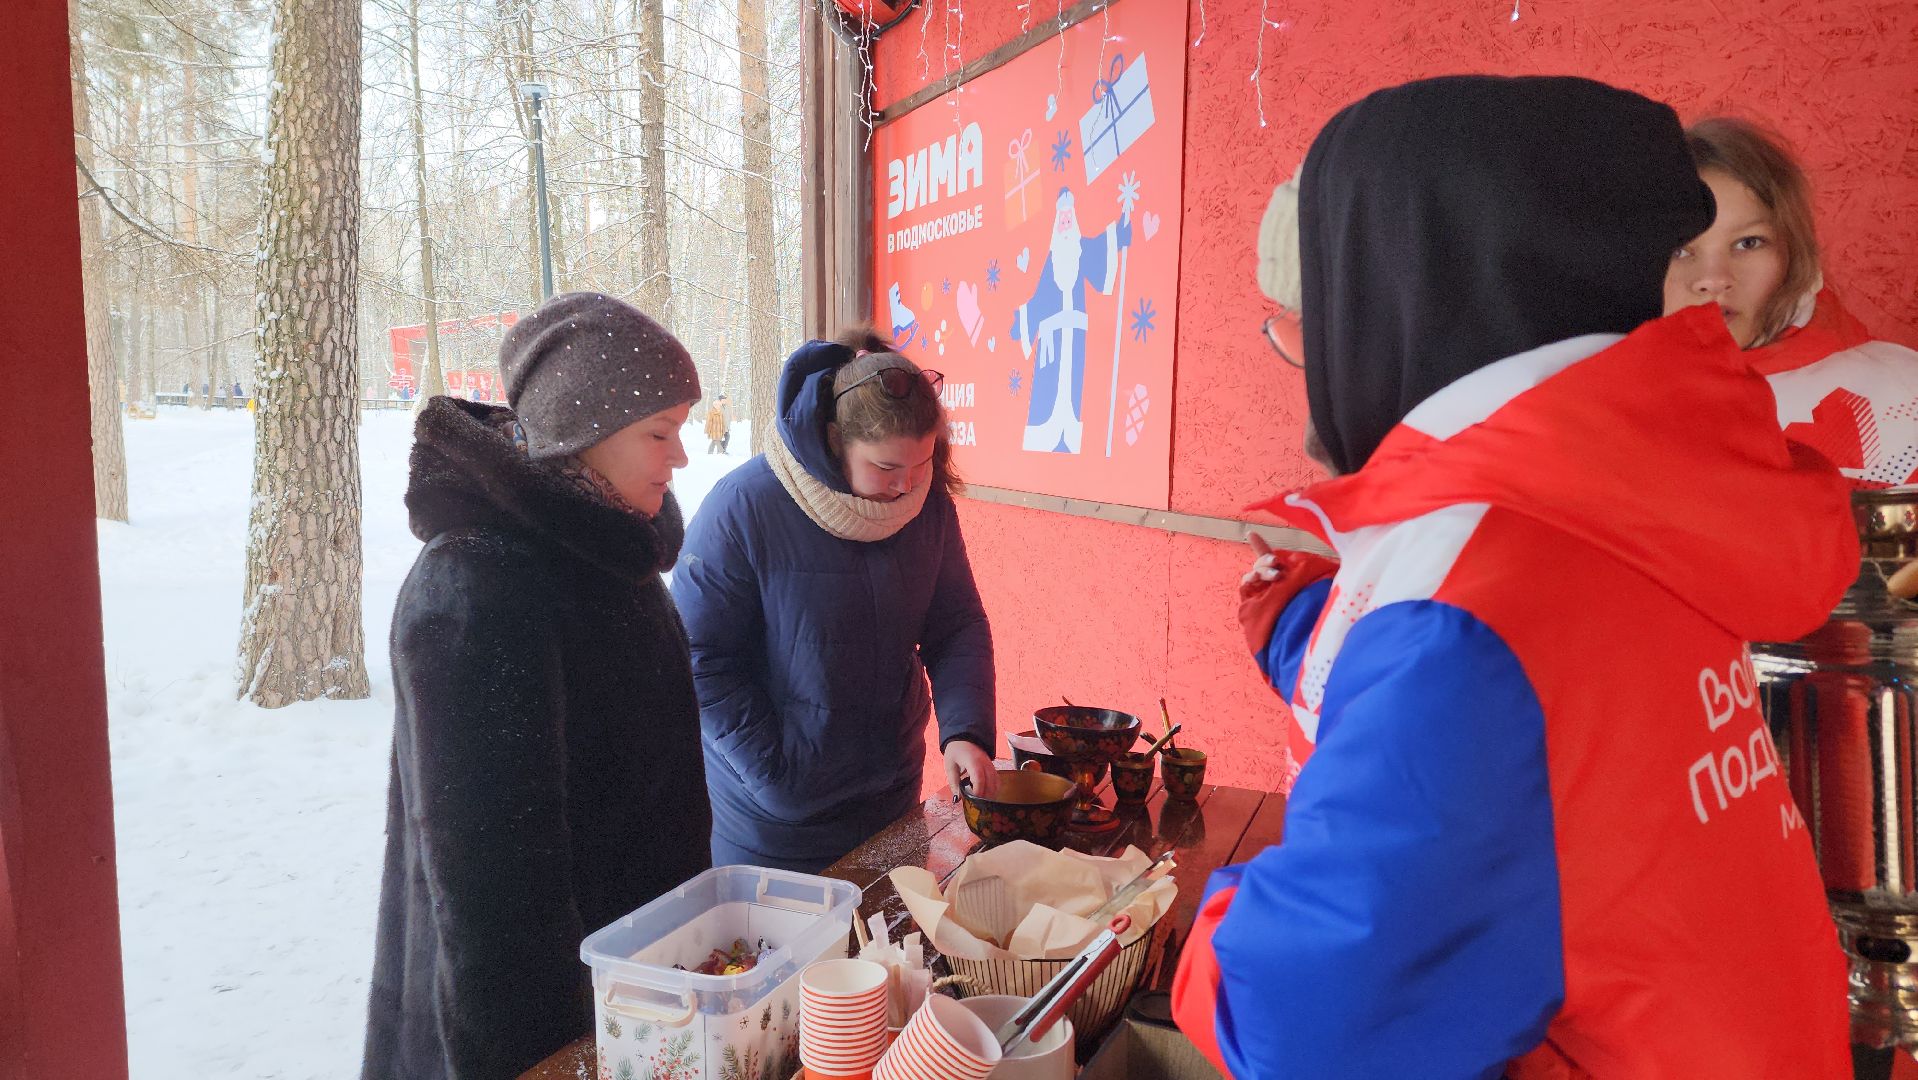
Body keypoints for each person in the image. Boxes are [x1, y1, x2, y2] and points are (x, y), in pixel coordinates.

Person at [1172, 76, 1855, 1078]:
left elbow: (1308, 1029)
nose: (1305, 358)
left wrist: (1222, 912)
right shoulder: (1636, 496)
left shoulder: (1461, 596)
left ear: (1396, 304)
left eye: (1314, 313)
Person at [362, 292, 712, 1080]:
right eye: (660, 433)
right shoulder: (478, 588)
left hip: (638, 1004)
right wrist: (551, 1060)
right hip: (553, 1033)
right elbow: (493, 905)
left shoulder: (611, 555)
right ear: (580, 436)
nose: (680, 458)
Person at [671, 331, 997, 873]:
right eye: (887, 469)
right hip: (772, 822)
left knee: (886, 948)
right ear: (832, 439)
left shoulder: (928, 507)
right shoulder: (745, 507)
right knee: (790, 956)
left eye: (921, 465)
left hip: (889, 791)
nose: (906, 487)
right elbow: (699, 655)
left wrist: (964, 731)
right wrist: (775, 774)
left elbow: (956, 625)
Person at [1664, 116, 1918, 488]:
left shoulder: (1903, 391)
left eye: (1748, 243)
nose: (1714, 279)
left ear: (1795, 254)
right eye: (1680, 249)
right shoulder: (1585, 411)